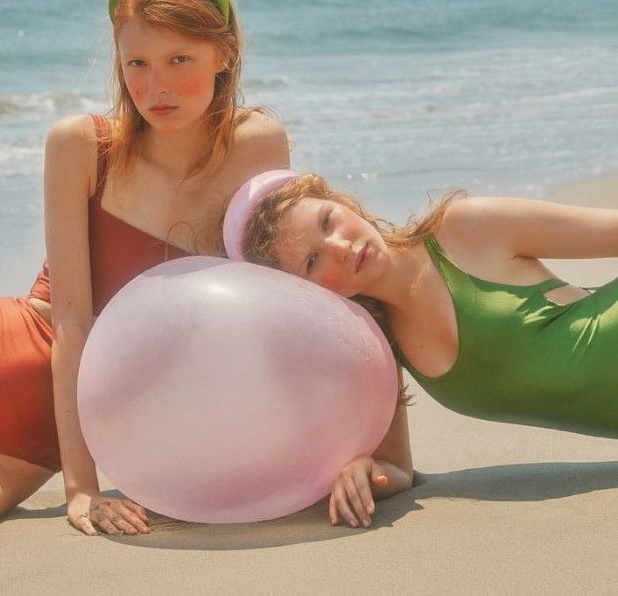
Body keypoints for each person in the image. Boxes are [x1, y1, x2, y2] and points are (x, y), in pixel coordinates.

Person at [0, 0, 289, 546]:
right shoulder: (82, 145)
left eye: (179, 59)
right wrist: (81, 487)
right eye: (136, 62)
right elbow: (71, 320)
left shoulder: (255, 146)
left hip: (35, 427)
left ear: (224, 54)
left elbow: (264, 316)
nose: (156, 85)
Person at [226, 170, 618, 528]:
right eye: (312, 260)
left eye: (328, 221)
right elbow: (398, 471)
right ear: (306, 293)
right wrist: (361, 472)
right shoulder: (378, 347)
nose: (340, 246)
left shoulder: (465, 229)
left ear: (343, 204)